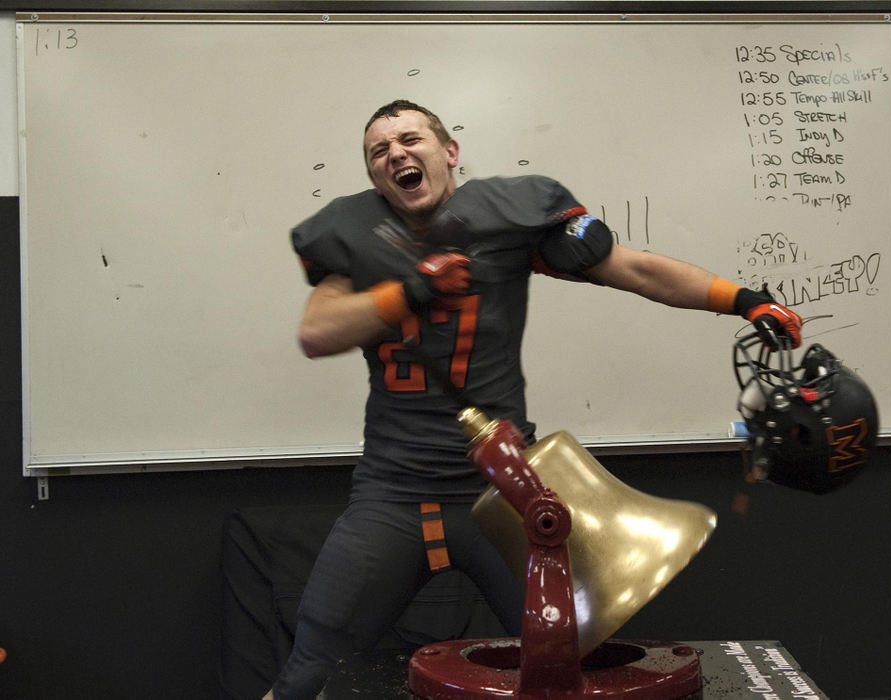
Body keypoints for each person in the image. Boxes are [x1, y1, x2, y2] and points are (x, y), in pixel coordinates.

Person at [263, 99, 802, 699]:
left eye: (410, 139)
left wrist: (743, 298)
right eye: (379, 151)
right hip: (393, 494)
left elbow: (639, 271)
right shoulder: (354, 232)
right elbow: (317, 332)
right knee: (312, 667)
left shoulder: (505, 217)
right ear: (372, 175)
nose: (396, 154)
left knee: (574, 665)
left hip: (505, 489)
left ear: (449, 152)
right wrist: (410, 290)